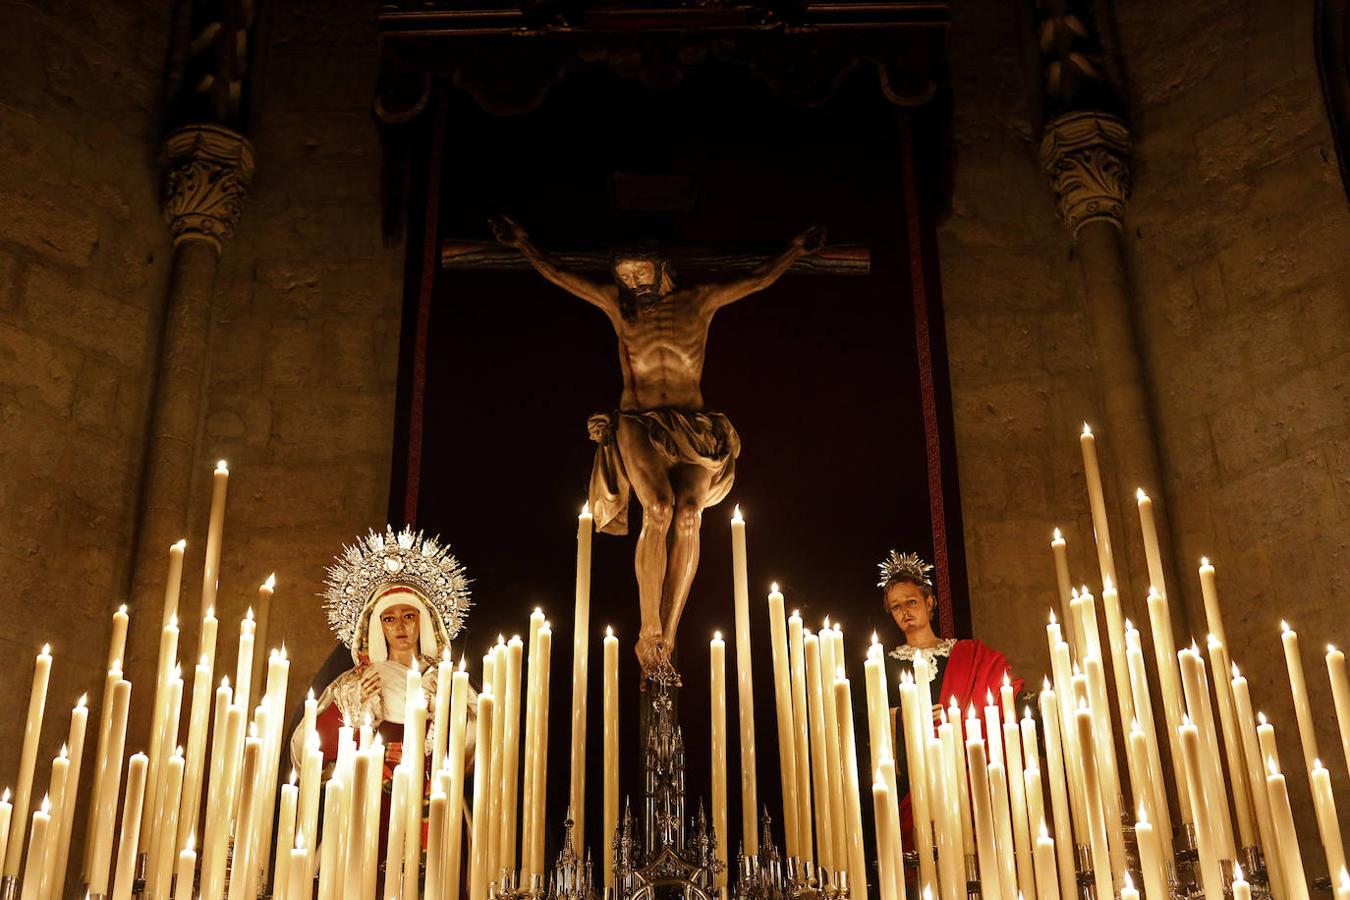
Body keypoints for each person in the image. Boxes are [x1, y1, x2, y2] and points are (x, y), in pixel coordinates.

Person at [491, 215, 825, 671]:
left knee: (690, 514)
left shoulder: (699, 302)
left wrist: (795, 249)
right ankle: (648, 627)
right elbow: (561, 275)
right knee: (660, 509)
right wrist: (526, 242)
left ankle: (668, 634)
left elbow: (757, 278)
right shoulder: (617, 306)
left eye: (638, 273)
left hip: (694, 426)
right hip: (638, 421)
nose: (631, 283)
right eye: (624, 275)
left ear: (661, 266)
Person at [292, 527, 476, 873]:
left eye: (410, 615)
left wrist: (447, 714)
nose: (401, 626)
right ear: (377, 627)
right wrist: (348, 714)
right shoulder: (353, 684)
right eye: (389, 619)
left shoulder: (449, 684)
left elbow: (475, 751)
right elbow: (309, 748)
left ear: (426, 621)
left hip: (433, 799)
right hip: (369, 801)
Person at [875, 550, 1024, 847]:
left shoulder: (968, 654)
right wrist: (907, 720)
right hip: (916, 784)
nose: (905, 611)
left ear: (929, 602)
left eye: (912, 602)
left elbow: (1001, 693)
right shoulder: (884, 664)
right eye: (896, 607)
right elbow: (874, 726)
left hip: (967, 777)